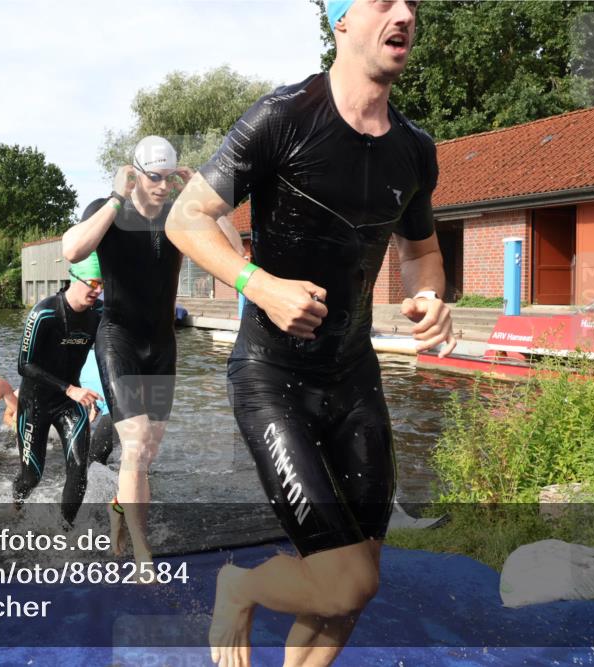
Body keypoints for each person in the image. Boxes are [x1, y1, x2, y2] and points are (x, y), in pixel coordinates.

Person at [164, 2, 457, 664]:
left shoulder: (415, 149)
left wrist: (431, 296)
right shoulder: (285, 117)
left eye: (411, 2)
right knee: (347, 576)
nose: (405, 13)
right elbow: (187, 218)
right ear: (342, 22)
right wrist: (257, 283)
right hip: (273, 378)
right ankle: (237, 585)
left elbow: (420, 252)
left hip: (354, 379)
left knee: (346, 593)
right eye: (384, 1)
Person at [61, 136, 192, 565]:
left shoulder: (178, 213)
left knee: (146, 452)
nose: (162, 187)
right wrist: (117, 197)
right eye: (154, 177)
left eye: (169, 179)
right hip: (119, 338)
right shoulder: (109, 208)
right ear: (135, 173)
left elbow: (225, 247)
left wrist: (197, 199)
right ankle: (142, 553)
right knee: (135, 444)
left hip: (162, 345)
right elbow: (73, 250)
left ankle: (119, 507)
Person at [13, 253, 104, 525]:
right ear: (74, 278)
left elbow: (107, 355)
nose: (97, 290)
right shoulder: (45, 313)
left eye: (102, 285)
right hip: (35, 404)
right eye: (93, 283)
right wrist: (69, 389)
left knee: (78, 471)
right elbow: (23, 364)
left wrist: (98, 396)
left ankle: (65, 530)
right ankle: (15, 508)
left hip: (69, 403)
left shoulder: (98, 314)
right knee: (32, 476)